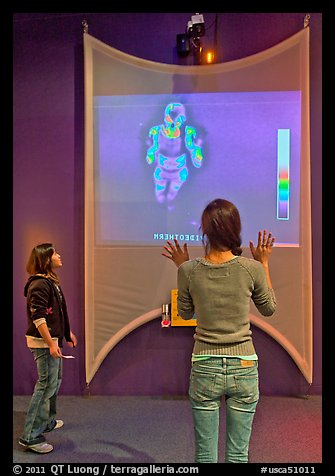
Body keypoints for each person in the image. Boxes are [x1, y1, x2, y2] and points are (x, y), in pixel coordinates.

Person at [162, 198, 276, 463]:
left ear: (205, 231)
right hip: (244, 363)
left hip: (204, 364)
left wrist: (181, 266)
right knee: (238, 455)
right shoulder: (252, 268)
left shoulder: (189, 270)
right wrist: (264, 264)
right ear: (235, 228)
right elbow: (269, 308)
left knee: (205, 455)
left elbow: (186, 313)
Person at [18, 243, 77, 454]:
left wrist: (66, 333)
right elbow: (39, 318)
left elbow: (56, 313)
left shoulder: (50, 282)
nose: (59, 256)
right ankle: (31, 436)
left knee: (54, 381)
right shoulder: (39, 285)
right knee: (45, 385)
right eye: (55, 254)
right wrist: (51, 344)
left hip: (51, 340)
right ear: (46, 260)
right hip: (43, 343)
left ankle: (47, 421)